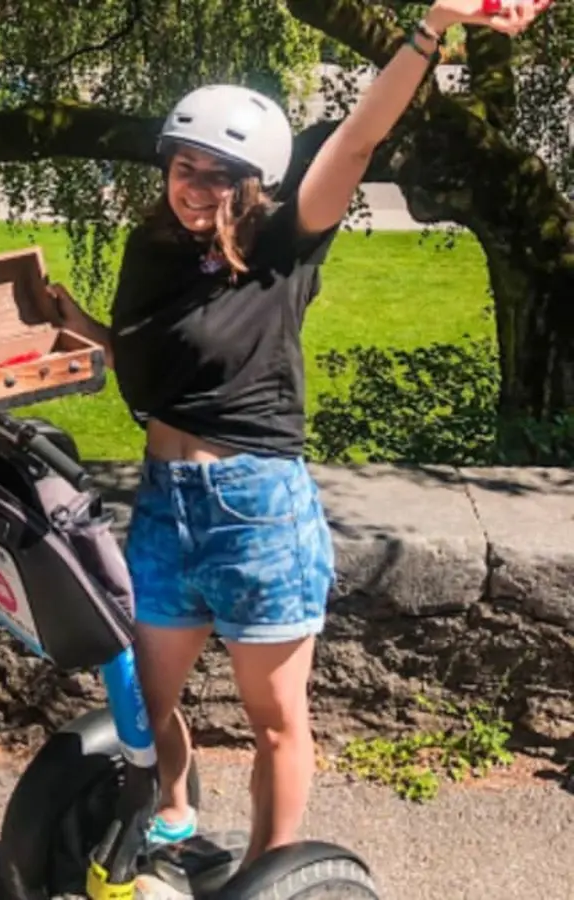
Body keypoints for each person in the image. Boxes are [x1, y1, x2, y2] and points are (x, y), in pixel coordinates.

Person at [44, 0, 548, 884]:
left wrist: (431, 25)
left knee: (274, 717)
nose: (192, 187)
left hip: (255, 506)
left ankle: (274, 873)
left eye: (217, 174)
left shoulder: (284, 243)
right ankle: (171, 813)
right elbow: (150, 359)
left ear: (255, 179)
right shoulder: (153, 247)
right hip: (166, 502)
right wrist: (69, 322)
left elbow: (355, 138)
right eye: (182, 166)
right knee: (145, 697)